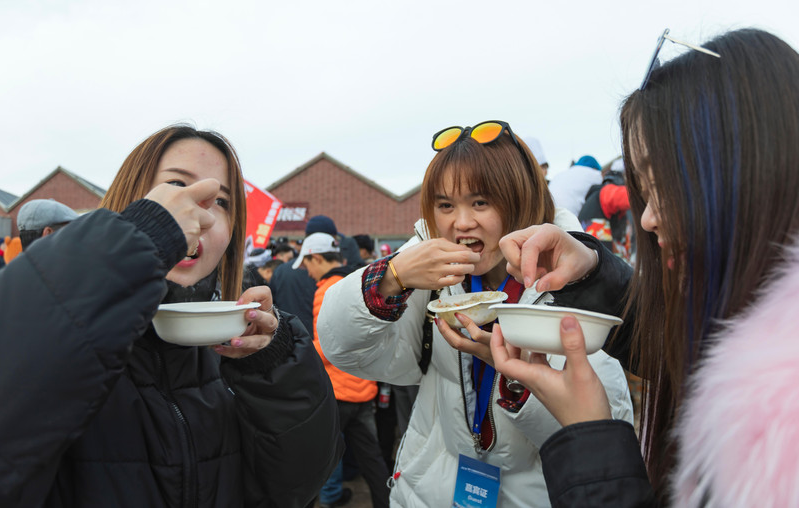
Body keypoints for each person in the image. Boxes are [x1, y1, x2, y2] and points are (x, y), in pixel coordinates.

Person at [491, 28, 799, 507]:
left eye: (664, 184)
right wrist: (590, 270)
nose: (649, 218)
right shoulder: (746, 322)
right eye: (644, 191)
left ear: (751, 170)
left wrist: (590, 437)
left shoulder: (781, 419)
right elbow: (678, 353)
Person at [0, 124, 343, 507]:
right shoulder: (64, 338)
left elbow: (295, 486)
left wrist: (274, 367)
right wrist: (137, 242)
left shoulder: (240, 349)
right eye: (177, 186)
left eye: (222, 202)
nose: (203, 216)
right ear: (131, 201)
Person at [317, 120, 632, 507]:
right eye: (445, 205)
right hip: (432, 488)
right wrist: (389, 277)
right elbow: (341, 347)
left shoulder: (575, 277)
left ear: (521, 200)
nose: (461, 222)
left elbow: (605, 432)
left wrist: (518, 376)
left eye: (480, 202)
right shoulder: (428, 271)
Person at [295, 232, 390, 508]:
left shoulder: (327, 289)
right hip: (363, 388)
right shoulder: (358, 282)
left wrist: (299, 353)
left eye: (306, 264)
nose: (307, 272)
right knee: (371, 459)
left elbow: (330, 345)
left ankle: (321, 501)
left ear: (316, 258)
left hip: (337, 392)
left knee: (320, 459)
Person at [577, 157, 633, 261]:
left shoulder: (598, 194)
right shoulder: (608, 191)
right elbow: (625, 196)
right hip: (596, 235)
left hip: (589, 242)